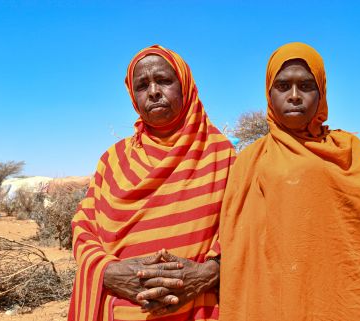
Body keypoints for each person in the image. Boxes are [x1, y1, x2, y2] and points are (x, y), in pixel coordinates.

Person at [219, 42, 360, 320]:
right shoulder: (250, 160)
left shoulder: (348, 152)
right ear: (268, 93)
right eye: (282, 86)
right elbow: (237, 248)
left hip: (337, 303)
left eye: (306, 86)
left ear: (322, 92)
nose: (294, 96)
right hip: (272, 302)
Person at [68, 45, 235, 321]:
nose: (154, 91)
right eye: (142, 85)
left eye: (164, 81)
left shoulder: (221, 154)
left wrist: (207, 274)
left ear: (185, 86)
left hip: (199, 311)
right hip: (122, 312)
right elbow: (84, 228)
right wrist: (109, 272)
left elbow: (244, 230)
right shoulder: (113, 161)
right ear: (133, 97)